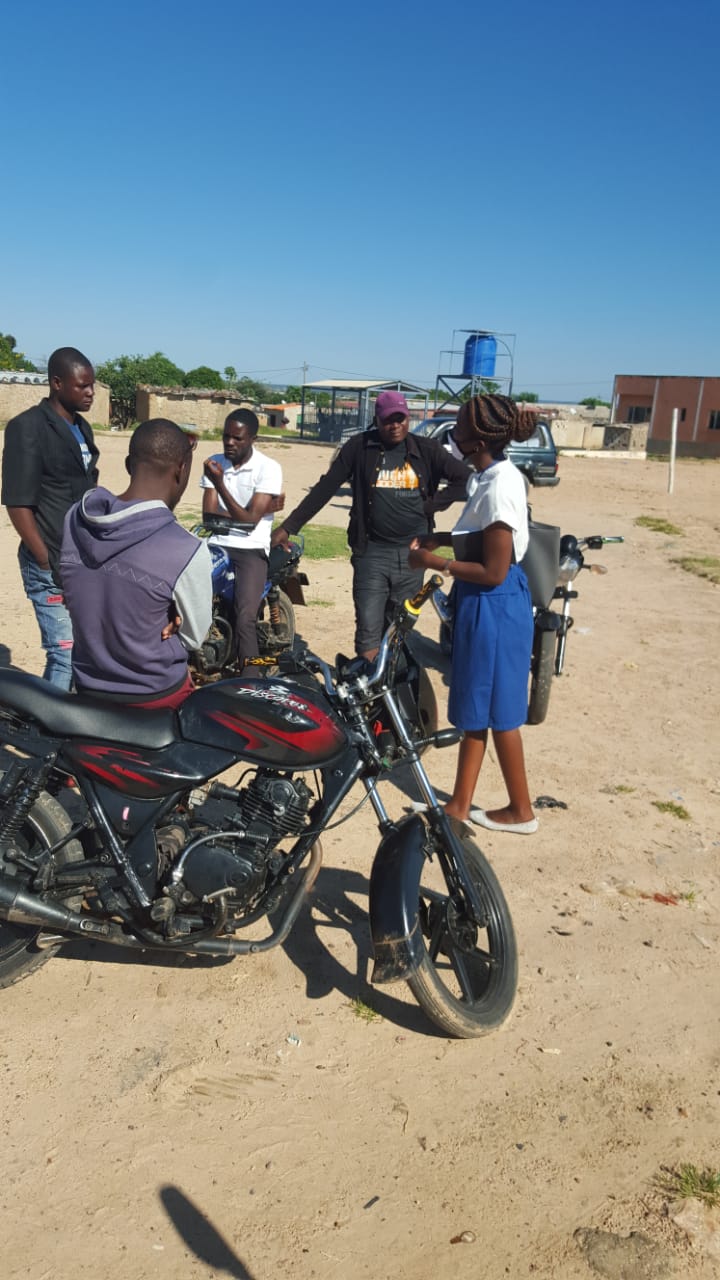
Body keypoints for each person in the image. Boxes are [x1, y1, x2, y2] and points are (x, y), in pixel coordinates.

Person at [409, 394, 539, 834]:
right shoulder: (488, 476)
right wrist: (439, 538)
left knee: (497, 710)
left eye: (460, 423)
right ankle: (460, 806)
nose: (454, 429)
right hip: (484, 601)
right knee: (476, 707)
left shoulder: (502, 484)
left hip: (496, 603)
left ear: (478, 438)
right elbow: (477, 538)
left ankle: (521, 811)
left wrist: (435, 563)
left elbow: (494, 569)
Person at [272, 391, 471, 660]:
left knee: (399, 629)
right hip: (371, 554)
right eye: (389, 419)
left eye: (401, 418)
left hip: (413, 555)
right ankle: (368, 688)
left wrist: (432, 505)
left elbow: (465, 479)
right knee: (368, 631)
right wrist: (289, 527)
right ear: (377, 419)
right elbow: (325, 488)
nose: (396, 425)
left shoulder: (427, 450)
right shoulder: (359, 447)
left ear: (407, 418)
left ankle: (390, 690)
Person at [60, 419, 212, 709]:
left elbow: (77, 592)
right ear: (181, 469)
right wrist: (169, 612)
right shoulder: (186, 548)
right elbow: (193, 638)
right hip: (154, 694)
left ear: (129, 464)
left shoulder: (75, 519)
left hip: (86, 686)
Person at [1, 347, 99, 688]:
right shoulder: (27, 428)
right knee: (65, 652)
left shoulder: (81, 428)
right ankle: (49, 735)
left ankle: (69, 723)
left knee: (85, 651)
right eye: (82, 386)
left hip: (79, 557)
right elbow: (18, 504)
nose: (91, 393)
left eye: (92, 385)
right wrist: (44, 560)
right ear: (57, 383)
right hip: (48, 557)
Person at [200, 409, 283, 669]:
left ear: (252, 439)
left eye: (237, 438)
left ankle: (251, 681)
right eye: (226, 436)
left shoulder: (268, 468)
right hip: (216, 545)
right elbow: (208, 515)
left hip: (251, 549)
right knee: (190, 605)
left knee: (245, 617)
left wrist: (220, 485)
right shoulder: (215, 461)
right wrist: (248, 512)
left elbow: (249, 523)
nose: (229, 443)